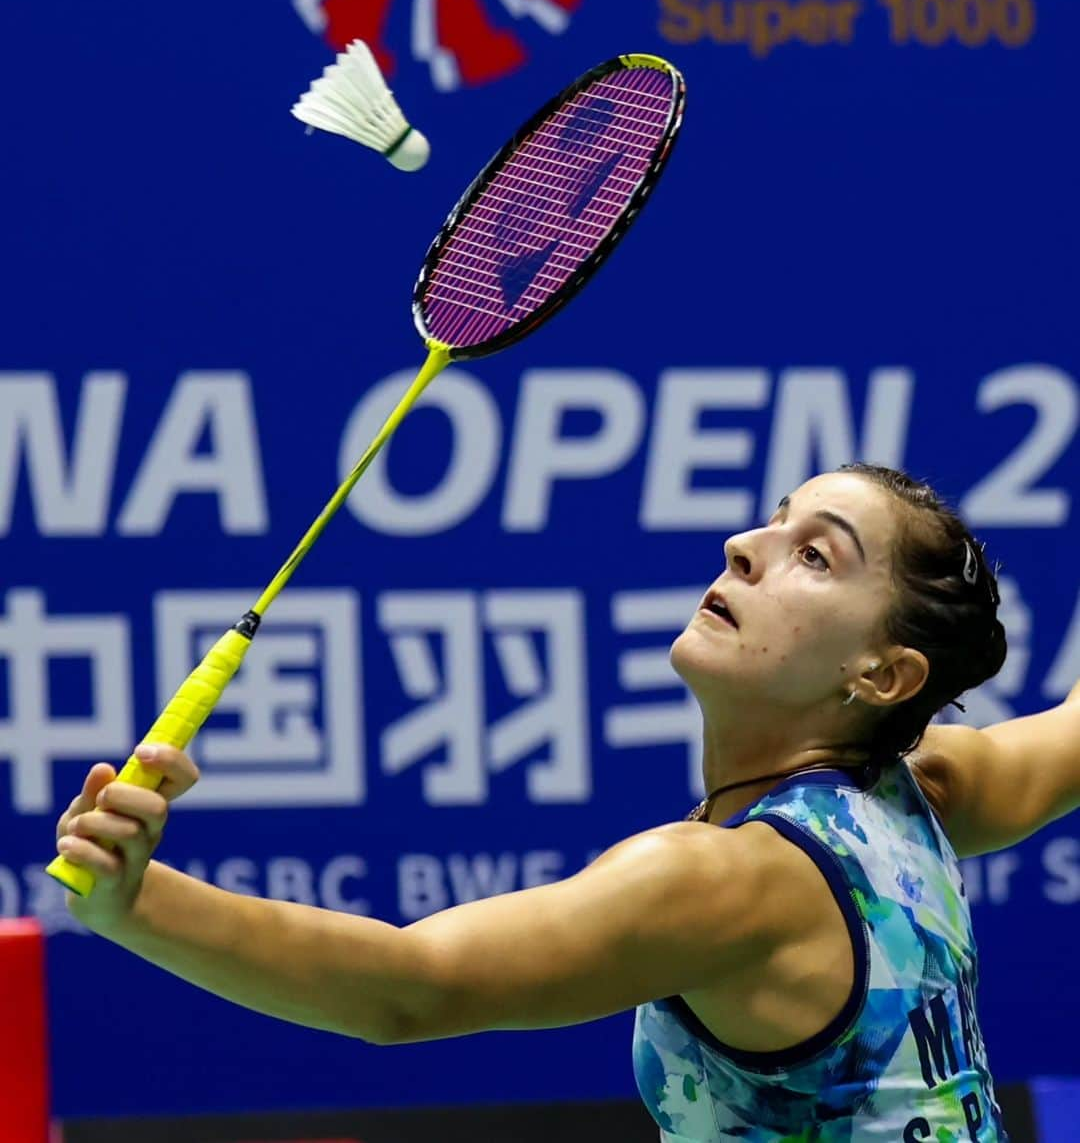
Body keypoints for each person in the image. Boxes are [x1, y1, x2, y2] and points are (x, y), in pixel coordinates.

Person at [55, 464, 1080, 1141]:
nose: (742, 546)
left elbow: (412, 985)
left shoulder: (728, 881)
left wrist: (134, 904)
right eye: (774, 520)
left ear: (884, 673)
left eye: (816, 554)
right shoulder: (927, 790)